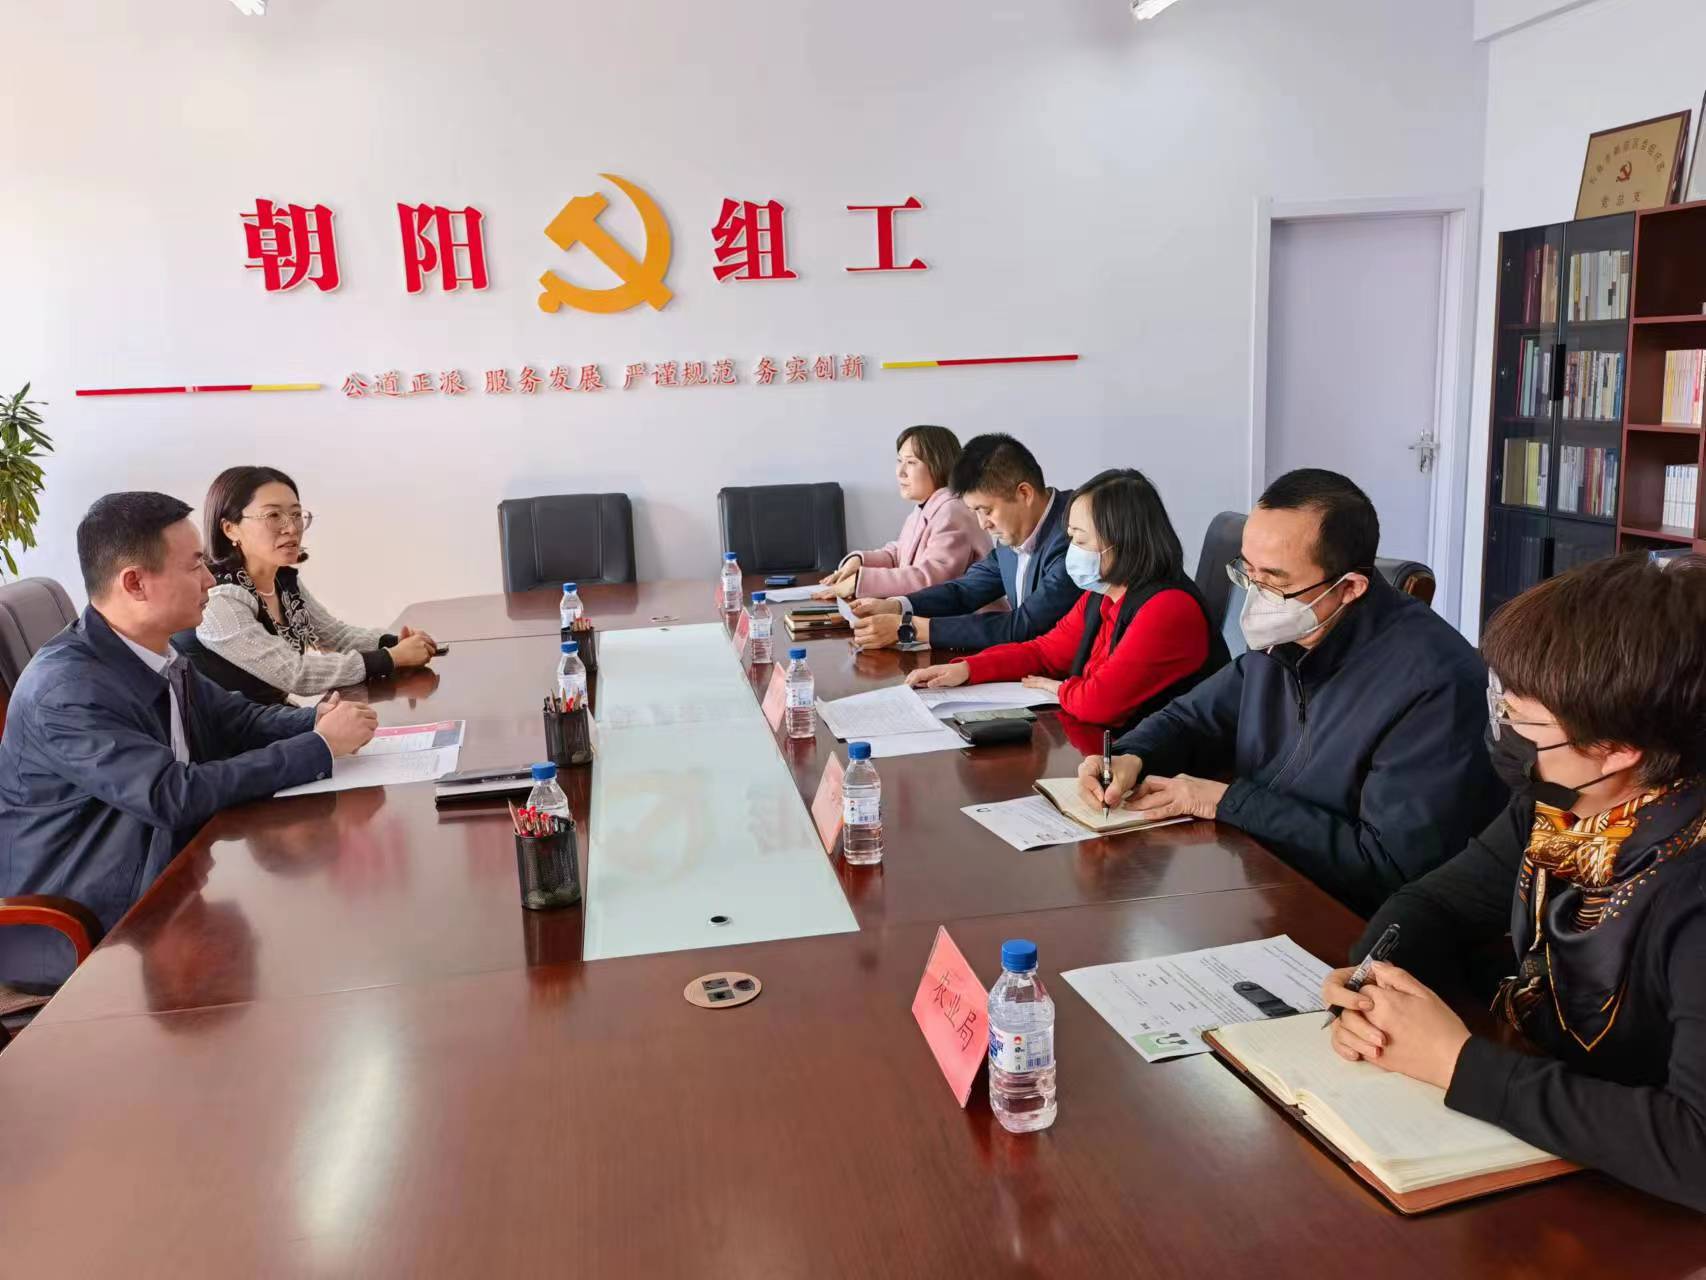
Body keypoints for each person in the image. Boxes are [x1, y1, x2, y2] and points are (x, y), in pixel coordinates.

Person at [1323, 554, 1706, 1212]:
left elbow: (1695, 1149)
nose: (1504, 734)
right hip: (1548, 1125)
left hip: (1638, 1208)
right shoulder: (1562, 802)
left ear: (1619, 749)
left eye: (1525, 724)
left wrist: (1456, 1061)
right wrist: (1373, 983)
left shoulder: (1691, 885)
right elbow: (1434, 903)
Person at [1078, 468, 1503, 916]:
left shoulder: (1438, 685)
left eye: (1275, 581)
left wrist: (1227, 801)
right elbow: (1192, 718)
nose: (1256, 597)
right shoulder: (1288, 634)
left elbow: (1387, 865)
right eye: (1248, 572)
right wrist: (1131, 756)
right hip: (1266, 883)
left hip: (1351, 922)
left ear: (1349, 588)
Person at [0, 492, 377, 990]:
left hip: (161, 868)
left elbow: (236, 721)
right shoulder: (66, 691)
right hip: (79, 915)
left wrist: (316, 722)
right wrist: (320, 747)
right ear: (134, 582)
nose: (210, 581)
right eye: (195, 565)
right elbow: (170, 795)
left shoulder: (153, 651)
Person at [905, 469, 1228, 730]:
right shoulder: (1102, 594)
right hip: (1112, 750)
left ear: (1122, 543)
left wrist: (1059, 689)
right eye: (1070, 537)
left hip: (1177, 773)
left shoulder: (1168, 608)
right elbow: (1045, 652)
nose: (1072, 551)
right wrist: (968, 669)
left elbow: (1099, 703)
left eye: (1080, 540)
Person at [175, 466, 436, 703]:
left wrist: (392, 642)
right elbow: (296, 674)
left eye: (296, 514)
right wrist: (392, 657)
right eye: (273, 515)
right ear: (230, 528)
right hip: (231, 736)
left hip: (272, 719)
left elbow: (336, 636)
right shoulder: (218, 599)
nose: (291, 527)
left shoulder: (282, 580)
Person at [847, 433, 1078, 652]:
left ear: (1024, 493)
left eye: (986, 510)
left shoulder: (1074, 535)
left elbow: (1023, 626)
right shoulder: (1014, 530)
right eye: (975, 511)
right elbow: (964, 591)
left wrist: (910, 627)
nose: (983, 524)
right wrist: (898, 606)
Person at [817, 425, 990, 599]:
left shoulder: (952, 511)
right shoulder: (924, 508)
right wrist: (861, 561)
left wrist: (859, 582)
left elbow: (931, 580)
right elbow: (899, 555)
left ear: (939, 465)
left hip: (970, 615)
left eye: (911, 462)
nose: (901, 472)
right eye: (899, 461)